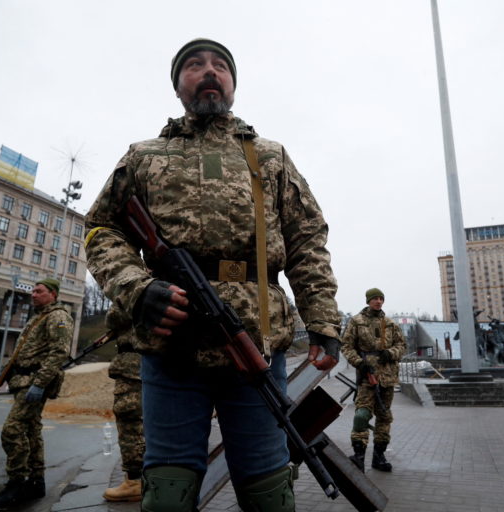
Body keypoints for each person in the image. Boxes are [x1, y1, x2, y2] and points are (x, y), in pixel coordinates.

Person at [85, 38, 341, 512]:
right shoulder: (143, 156)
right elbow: (102, 228)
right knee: (168, 479)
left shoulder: (270, 157)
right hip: (170, 338)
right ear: (178, 86)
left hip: (255, 340)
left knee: (266, 474)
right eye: (194, 65)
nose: (209, 71)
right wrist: (137, 289)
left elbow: (307, 239)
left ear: (233, 84)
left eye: (221, 65)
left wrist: (323, 321)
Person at [0, 278, 72, 509]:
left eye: (39, 291)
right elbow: (18, 355)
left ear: (52, 294)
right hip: (22, 381)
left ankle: (16, 484)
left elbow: (60, 352)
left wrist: (40, 384)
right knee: (32, 432)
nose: (33, 294)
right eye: (32, 291)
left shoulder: (58, 316)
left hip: (34, 383)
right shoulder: (38, 318)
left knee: (11, 431)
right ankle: (36, 481)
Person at [341, 288, 406, 473]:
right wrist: (359, 363)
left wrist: (390, 353)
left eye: (381, 298)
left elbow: (402, 345)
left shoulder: (390, 323)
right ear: (368, 300)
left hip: (387, 377)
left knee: (384, 417)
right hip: (367, 378)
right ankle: (359, 456)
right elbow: (346, 345)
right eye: (375, 298)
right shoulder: (357, 321)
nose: (378, 301)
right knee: (362, 415)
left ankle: (379, 456)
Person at [102, 305, 144, 503]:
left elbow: (114, 316)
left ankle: (135, 481)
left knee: (130, 421)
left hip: (133, 364)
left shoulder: (139, 281)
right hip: (141, 362)